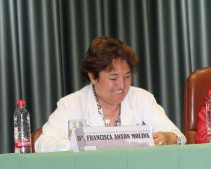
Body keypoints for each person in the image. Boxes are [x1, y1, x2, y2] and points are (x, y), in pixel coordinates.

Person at [35, 36, 186, 152]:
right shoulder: (71, 105)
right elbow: (42, 144)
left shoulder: (143, 99)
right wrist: (78, 144)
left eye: (127, 76)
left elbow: (179, 137)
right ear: (93, 77)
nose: (121, 85)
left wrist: (168, 138)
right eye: (113, 78)